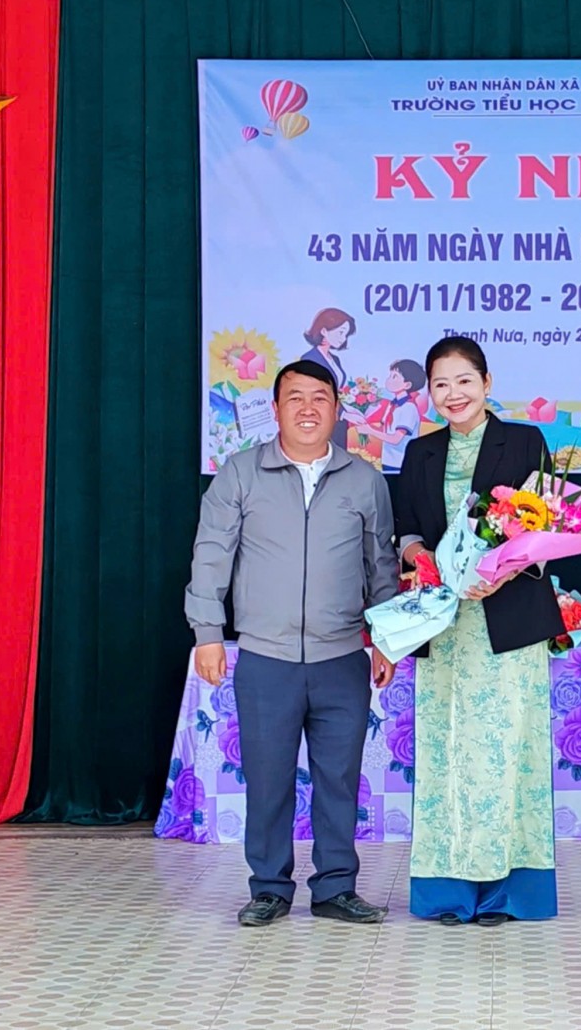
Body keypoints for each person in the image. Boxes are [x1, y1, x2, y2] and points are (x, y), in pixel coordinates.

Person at [186, 360, 399, 927]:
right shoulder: (240, 473)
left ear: (337, 410)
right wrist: (208, 634)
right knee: (268, 777)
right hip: (266, 657)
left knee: (339, 779)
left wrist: (386, 639)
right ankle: (269, 889)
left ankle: (335, 888)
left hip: (341, 658)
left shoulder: (364, 480)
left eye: (320, 398)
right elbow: (211, 555)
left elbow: (380, 565)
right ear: (277, 409)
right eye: (295, 398)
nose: (308, 408)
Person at [393, 335, 565, 925]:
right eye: (440, 384)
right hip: (445, 626)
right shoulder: (420, 452)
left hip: (508, 623)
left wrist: (502, 571)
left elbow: (545, 527)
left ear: (487, 384)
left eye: (464, 381)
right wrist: (419, 557)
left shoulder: (525, 441)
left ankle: (506, 891)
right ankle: (448, 890)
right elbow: (407, 530)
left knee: (508, 752)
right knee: (447, 753)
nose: (453, 394)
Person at [351, 358, 426, 471]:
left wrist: (370, 431)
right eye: (390, 376)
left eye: (394, 377)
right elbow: (385, 430)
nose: (388, 380)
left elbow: (395, 439)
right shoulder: (392, 405)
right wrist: (366, 425)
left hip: (401, 462)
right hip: (389, 460)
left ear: (407, 385)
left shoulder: (408, 408)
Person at [300, 307, 356, 450]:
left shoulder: (334, 359)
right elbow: (315, 396)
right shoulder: (310, 359)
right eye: (341, 332)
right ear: (324, 331)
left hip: (337, 424)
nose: (343, 338)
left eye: (346, 334)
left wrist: (348, 410)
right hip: (320, 423)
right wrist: (344, 414)